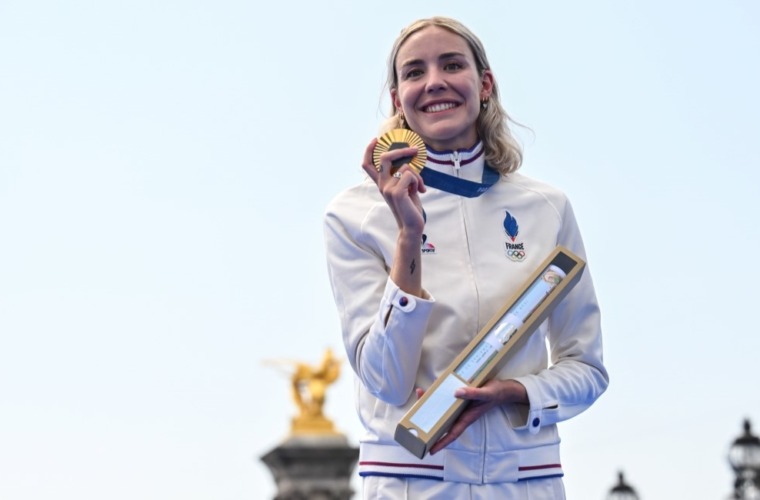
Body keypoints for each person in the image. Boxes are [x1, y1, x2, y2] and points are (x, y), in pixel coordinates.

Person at [323, 16, 608, 499]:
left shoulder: (546, 207)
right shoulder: (355, 214)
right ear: (398, 100)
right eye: (414, 72)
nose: (434, 81)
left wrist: (521, 394)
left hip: (526, 483)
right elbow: (385, 381)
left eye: (452, 64)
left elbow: (588, 369)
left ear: (484, 84)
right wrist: (408, 236)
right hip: (411, 482)